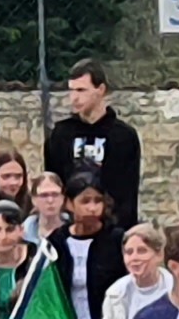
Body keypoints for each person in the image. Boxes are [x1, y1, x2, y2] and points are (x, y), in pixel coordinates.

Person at [44, 61, 145, 229]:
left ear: (101, 90)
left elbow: (127, 194)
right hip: (69, 227)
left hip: (111, 228)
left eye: (81, 90)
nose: (74, 97)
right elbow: (54, 182)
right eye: (71, 90)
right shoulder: (61, 134)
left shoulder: (123, 136)